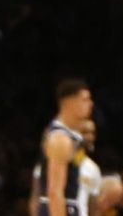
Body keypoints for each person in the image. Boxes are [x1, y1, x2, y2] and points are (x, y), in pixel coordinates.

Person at [34, 82, 96, 216]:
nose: (91, 104)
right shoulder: (60, 139)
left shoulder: (68, 135)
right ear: (69, 103)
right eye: (85, 99)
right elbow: (55, 192)